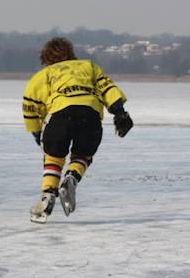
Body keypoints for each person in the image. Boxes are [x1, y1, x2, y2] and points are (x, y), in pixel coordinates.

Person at [22, 37, 133, 223]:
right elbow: (107, 88)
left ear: (45, 58)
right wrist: (120, 113)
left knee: (54, 157)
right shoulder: (88, 67)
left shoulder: (43, 75)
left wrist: (36, 131)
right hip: (90, 117)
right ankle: (72, 177)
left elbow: (30, 106)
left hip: (60, 116)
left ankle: (48, 194)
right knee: (83, 154)